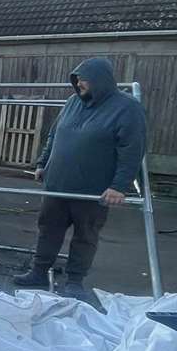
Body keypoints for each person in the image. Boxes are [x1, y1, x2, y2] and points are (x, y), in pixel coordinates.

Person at [13, 58, 146, 302]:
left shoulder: (127, 108)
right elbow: (54, 134)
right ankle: (39, 272)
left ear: (100, 81)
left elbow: (132, 150)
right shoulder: (73, 102)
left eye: (83, 79)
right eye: (76, 79)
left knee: (85, 235)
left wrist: (119, 186)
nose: (78, 83)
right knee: (48, 229)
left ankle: (74, 281)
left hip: (92, 190)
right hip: (58, 184)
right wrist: (43, 163)